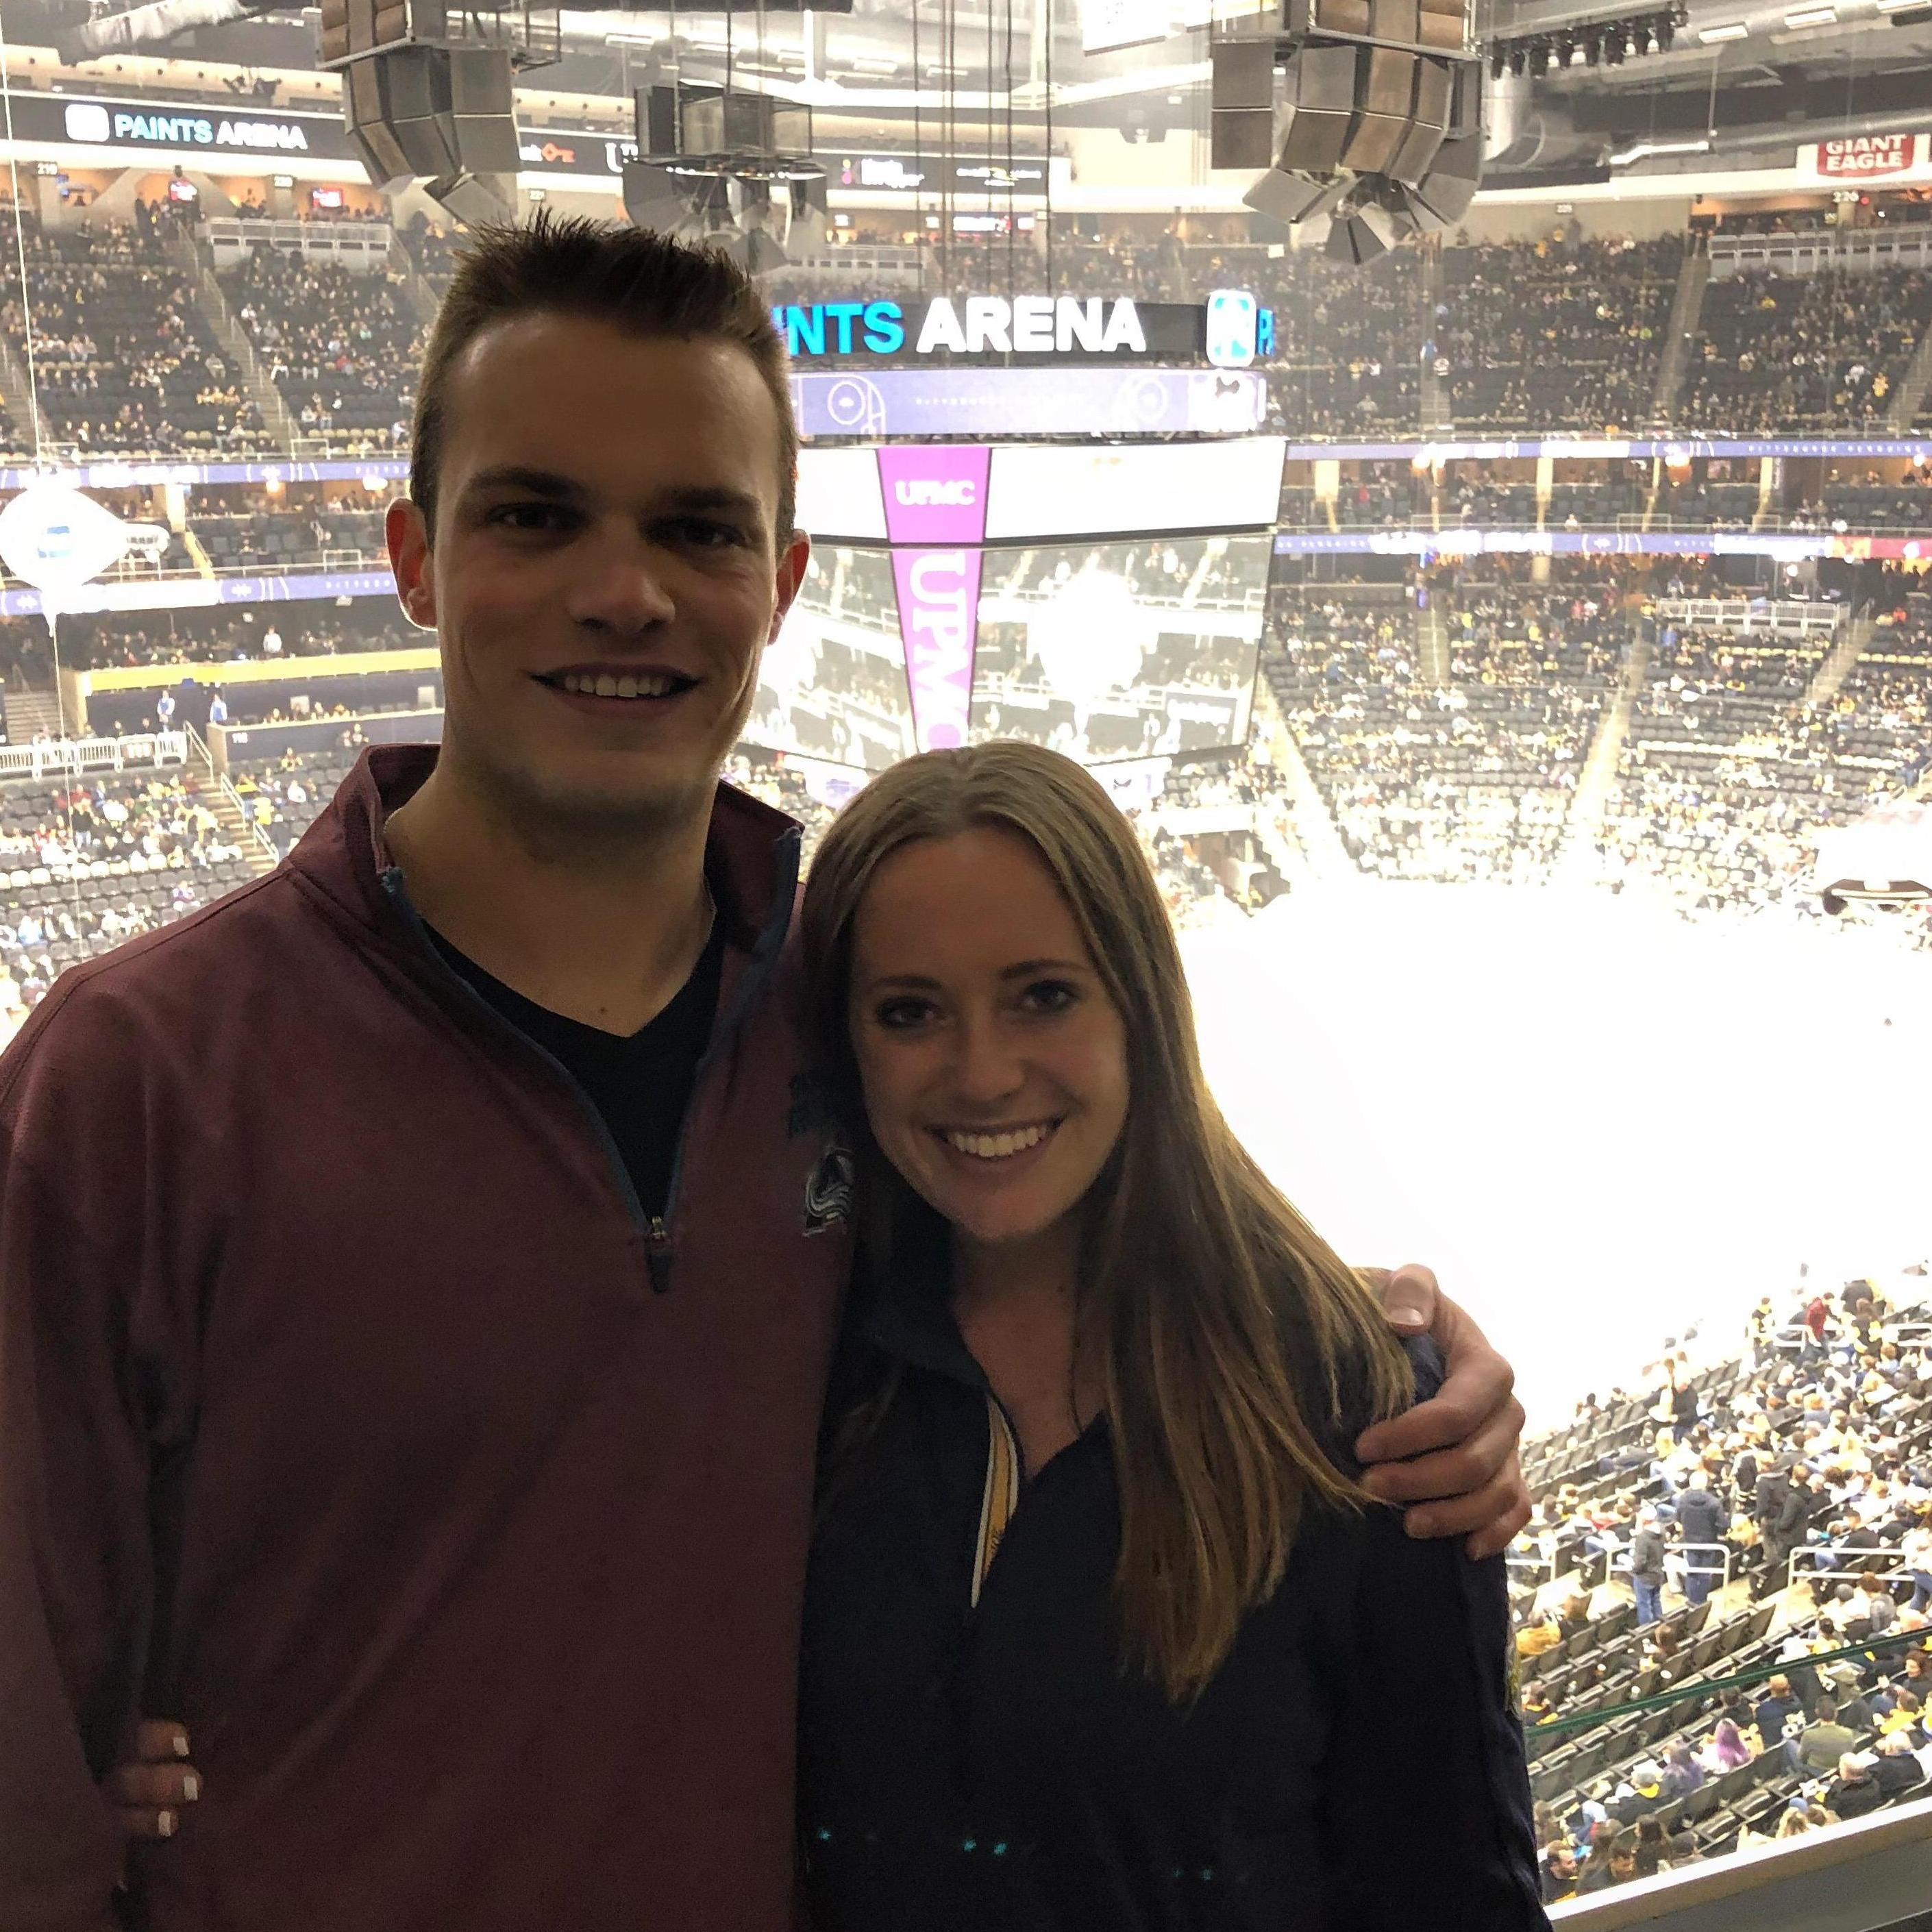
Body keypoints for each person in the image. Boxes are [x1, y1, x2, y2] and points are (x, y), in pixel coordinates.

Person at [1, 221, 1531, 1931]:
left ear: (781, 583)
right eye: (535, 513)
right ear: (414, 557)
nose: (623, 589)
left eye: (695, 527)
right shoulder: (135, 1079)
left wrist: (1394, 1358)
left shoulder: (837, 1017)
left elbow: (1085, 1190)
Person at [787, 744, 1550, 1928]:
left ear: (1141, 1003)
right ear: (847, 1044)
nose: (983, 1073)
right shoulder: (787, 1370)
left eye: (1043, 994)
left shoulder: (1366, 1411)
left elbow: (1454, 1893)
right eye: (910, 1012)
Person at [1673, 1465, 1729, 1605]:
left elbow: (1678, 1519)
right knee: (1705, 1574)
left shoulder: (1683, 1500)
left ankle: (1692, 1602)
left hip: (1690, 1542)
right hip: (1709, 1542)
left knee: (1692, 1572)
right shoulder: (1714, 1502)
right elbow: (1723, 1524)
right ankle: (1702, 1602)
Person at [1787, 1699, 1859, 1776]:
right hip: (1840, 1769)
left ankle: (1793, 1774)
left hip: (1816, 1772)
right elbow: (1852, 1749)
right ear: (1836, 1713)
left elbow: (1802, 1758)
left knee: (1789, 1743)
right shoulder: (1848, 1733)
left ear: (1817, 1712)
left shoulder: (1809, 1735)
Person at [1629, 1507, 1667, 1626]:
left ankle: (1646, 1630)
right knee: (1656, 1601)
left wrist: (1633, 1570)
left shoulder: (1643, 1538)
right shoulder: (1661, 1530)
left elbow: (1640, 1561)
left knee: (1644, 1604)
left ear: (1644, 1520)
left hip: (1644, 1577)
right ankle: (1660, 1627)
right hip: (1658, 1574)